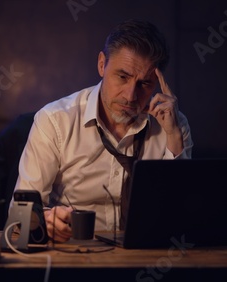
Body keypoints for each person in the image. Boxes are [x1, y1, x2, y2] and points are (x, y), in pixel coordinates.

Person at [10, 19, 193, 242]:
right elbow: (20, 215)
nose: (130, 96)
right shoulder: (54, 120)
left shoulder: (173, 125)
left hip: (147, 253)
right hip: (73, 251)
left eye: (144, 84)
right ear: (101, 64)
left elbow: (180, 211)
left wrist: (174, 137)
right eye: (123, 77)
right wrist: (45, 220)